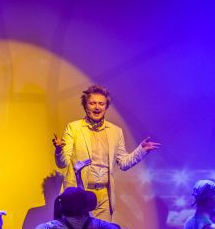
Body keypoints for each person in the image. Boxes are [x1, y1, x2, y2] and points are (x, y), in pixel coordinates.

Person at [52, 84, 161, 221]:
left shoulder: (115, 131)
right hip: (79, 195)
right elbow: (63, 163)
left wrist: (141, 150)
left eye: (101, 104)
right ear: (85, 106)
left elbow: (123, 163)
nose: (97, 107)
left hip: (103, 197)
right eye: (92, 103)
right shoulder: (73, 128)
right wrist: (59, 150)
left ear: (106, 107)